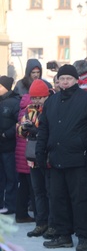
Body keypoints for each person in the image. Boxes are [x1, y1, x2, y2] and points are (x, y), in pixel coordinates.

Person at [36, 64, 87, 251]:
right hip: (56, 159)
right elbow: (44, 129)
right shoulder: (52, 101)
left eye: (69, 78)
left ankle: (83, 237)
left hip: (79, 160)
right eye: (62, 78)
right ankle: (63, 235)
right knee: (58, 199)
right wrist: (40, 153)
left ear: (76, 80)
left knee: (81, 199)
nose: (65, 82)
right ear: (57, 81)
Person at [19, 79, 54, 238]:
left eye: (40, 97)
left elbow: (52, 131)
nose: (36, 101)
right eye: (34, 98)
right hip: (33, 158)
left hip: (48, 157)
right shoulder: (30, 109)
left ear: (46, 95)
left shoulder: (52, 108)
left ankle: (52, 224)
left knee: (49, 192)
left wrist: (37, 131)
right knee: (38, 192)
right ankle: (41, 223)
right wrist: (24, 128)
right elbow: (20, 130)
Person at [14, 90, 34, 224]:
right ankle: (25, 214)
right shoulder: (30, 112)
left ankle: (21, 214)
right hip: (28, 154)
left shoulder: (21, 110)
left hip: (20, 155)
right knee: (32, 187)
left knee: (23, 187)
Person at [0, 75, 20, 215]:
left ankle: (10, 205)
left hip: (9, 146)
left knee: (11, 177)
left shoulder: (14, 102)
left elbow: (19, 122)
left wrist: (7, 134)